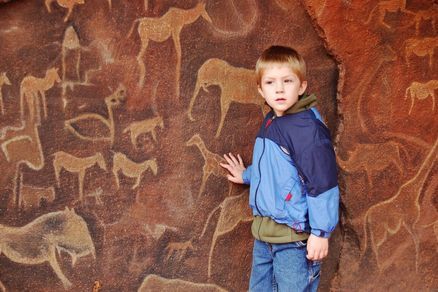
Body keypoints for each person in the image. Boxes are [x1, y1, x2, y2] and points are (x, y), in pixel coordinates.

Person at [220, 45, 339, 292]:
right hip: (265, 236)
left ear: (302, 86)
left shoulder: (307, 131)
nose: (280, 89)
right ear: (260, 89)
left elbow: (323, 182)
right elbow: (274, 168)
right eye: (271, 82)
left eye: (287, 81)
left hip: (293, 240)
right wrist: (247, 175)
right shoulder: (272, 120)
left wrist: (320, 232)